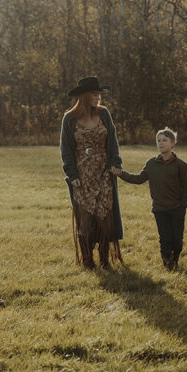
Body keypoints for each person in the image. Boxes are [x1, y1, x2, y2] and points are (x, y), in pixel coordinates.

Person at [60, 76, 124, 269]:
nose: (98, 97)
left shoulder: (104, 114)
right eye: (94, 94)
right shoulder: (69, 118)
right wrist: (72, 175)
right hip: (82, 174)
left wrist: (115, 163)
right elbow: (66, 150)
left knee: (105, 214)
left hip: (104, 172)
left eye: (99, 94)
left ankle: (104, 259)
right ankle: (88, 259)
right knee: (86, 218)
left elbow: (112, 142)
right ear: (85, 96)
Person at [112, 128, 187, 270]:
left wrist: (183, 205)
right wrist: (121, 174)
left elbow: (186, 187)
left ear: (173, 143)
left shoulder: (181, 165)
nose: (161, 143)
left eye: (164, 140)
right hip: (160, 209)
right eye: (158, 140)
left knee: (177, 239)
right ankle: (167, 261)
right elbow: (138, 179)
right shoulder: (151, 164)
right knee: (165, 238)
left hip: (177, 208)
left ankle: (175, 258)